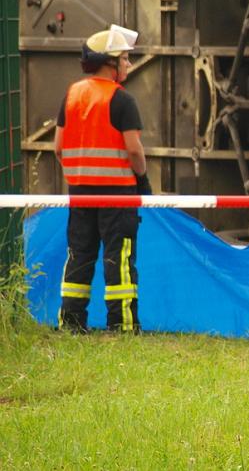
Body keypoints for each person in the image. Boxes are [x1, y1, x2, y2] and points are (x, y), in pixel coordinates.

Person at [54, 25, 151, 333]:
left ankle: (71, 323)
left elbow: (58, 148)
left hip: (80, 193)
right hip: (117, 194)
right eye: (124, 59)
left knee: (79, 256)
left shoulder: (72, 95)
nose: (128, 65)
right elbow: (134, 151)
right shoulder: (122, 100)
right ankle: (121, 325)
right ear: (110, 64)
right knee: (117, 258)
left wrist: (81, 173)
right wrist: (143, 180)